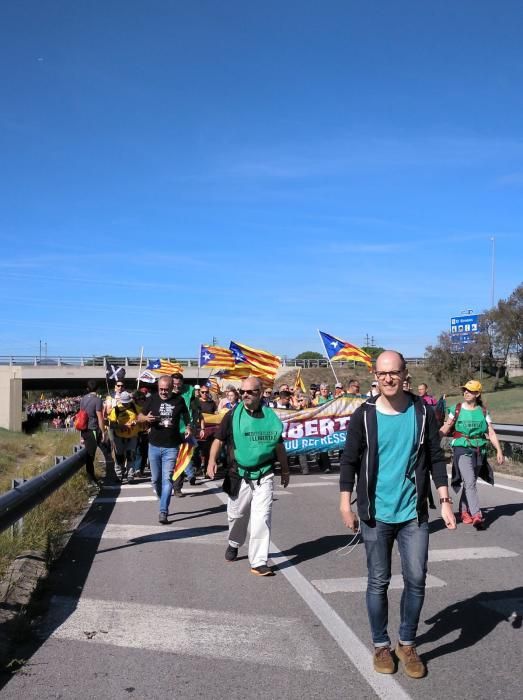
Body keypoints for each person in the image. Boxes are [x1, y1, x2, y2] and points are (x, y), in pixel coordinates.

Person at [339, 350, 456, 679]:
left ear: (405, 374)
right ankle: (380, 644)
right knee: (378, 581)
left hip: (413, 513)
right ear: (375, 376)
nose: (388, 378)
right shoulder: (363, 415)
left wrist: (444, 499)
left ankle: (406, 643)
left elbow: (435, 457)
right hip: (376, 514)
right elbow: (349, 461)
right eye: (382, 373)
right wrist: (344, 503)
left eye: (394, 372)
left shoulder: (421, 412)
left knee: (417, 578)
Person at [207, 375, 290, 576]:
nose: (245, 395)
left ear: (260, 394)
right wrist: (211, 461)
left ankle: (259, 561)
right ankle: (234, 543)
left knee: (262, 518)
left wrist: (285, 470)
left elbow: (278, 444)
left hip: (265, 474)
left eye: (250, 391)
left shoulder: (271, 417)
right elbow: (218, 440)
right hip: (239, 474)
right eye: (242, 391)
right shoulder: (232, 415)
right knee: (236, 516)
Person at [439, 380, 503, 529]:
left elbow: (491, 432)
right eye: (465, 390)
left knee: (470, 483)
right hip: (462, 448)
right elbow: (447, 427)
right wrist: (433, 440)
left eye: (470, 390)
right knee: (470, 482)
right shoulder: (456, 408)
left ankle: (463, 511)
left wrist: (499, 450)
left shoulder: (483, 411)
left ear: (477, 394)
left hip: (479, 449)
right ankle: (476, 514)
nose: (466, 392)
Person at [137, 375, 191, 524]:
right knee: (155, 480)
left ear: (172, 387)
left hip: (171, 447)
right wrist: (145, 419)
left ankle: (163, 511)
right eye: (161, 389)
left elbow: (186, 416)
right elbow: (139, 416)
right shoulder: (152, 399)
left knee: (167, 479)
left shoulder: (179, 400)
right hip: (153, 445)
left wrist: (188, 427)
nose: (163, 392)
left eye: (166, 390)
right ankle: (163, 500)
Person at [79, 379, 105, 487]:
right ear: (97, 388)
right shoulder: (98, 400)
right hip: (92, 430)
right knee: (90, 456)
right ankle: (91, 480)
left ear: (87, 389)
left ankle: (92, 478)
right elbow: (100, 417)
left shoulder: (83, 399)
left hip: (84, 429)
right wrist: (103, 432)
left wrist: (81, 435)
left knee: (89, 455)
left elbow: (81, 417)